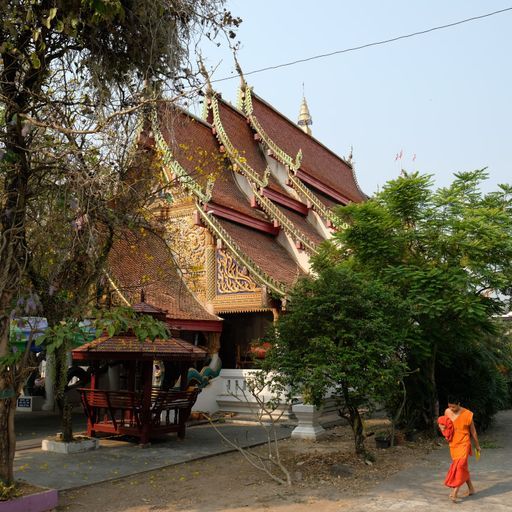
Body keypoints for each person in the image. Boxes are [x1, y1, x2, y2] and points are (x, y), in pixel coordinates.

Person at [438, 397, 481, 502]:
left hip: (464, 443)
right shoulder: (447, 411)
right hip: (453, 444)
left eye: (453, 406)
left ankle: (455, 491)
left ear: (459, 404)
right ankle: (471, 489)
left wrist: (477, 445)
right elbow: (443, 423)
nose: (451, 408)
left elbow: (473, 432)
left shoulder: (467, 414)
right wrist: (441, 427)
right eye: (449, 406)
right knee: (462, 467)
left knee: (460, 466)